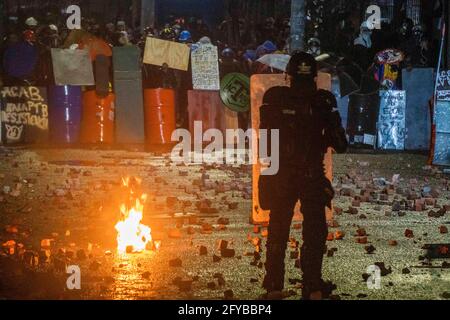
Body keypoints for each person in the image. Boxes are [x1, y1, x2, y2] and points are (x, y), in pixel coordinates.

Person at [259, 51, 348, 300]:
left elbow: (265, 143)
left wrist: (267, 176)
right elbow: (340, 144)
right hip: (311, 175)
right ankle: (312, 286)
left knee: (278, 229)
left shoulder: (274, 97)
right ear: (315, 77)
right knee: (314, 232)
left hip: (281, 175)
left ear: (288, 75)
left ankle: (274, 285)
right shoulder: (324, 101)